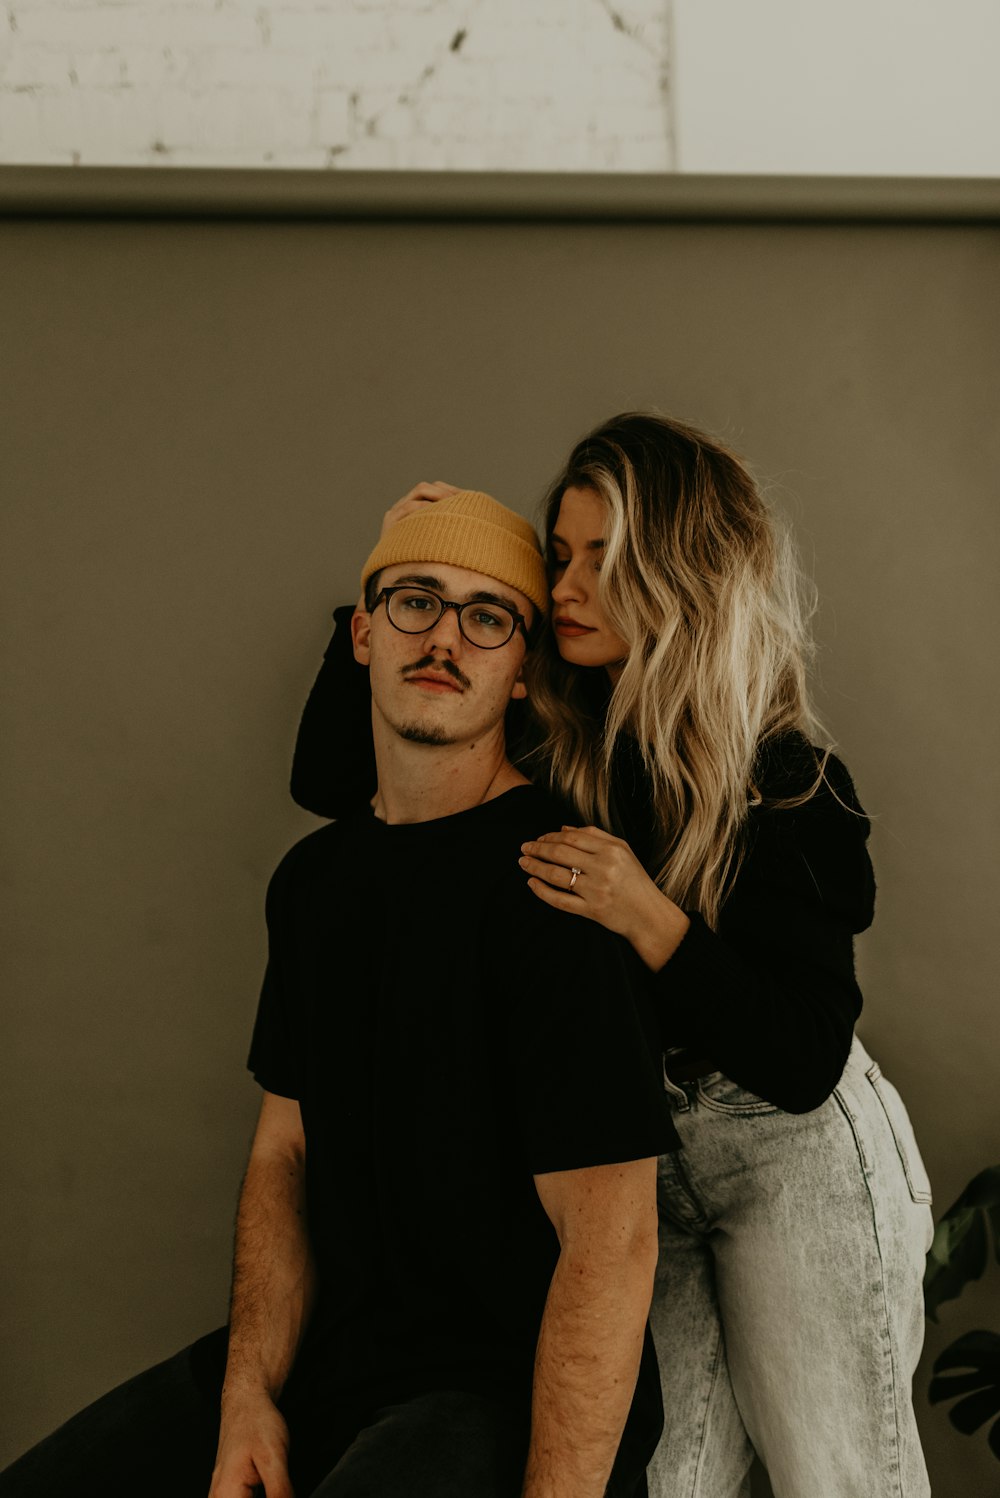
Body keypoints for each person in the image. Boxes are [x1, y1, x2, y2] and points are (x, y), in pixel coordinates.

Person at [286, 415, 935, 1498]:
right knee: (659, 1476)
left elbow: (803, 1056)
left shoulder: (784, 777)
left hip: (794, 1157)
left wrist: (649, 916)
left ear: (676, 573)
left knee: (840, 1477)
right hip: (636, 1158)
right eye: (560, 554)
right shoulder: (556, 729)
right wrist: (393, 565)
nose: (568, 584)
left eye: (604, 558)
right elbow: (328, 781)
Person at [0, 489, 678, 1498]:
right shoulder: (315, 883)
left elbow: (611, 1240)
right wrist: (245, 1395)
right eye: (415, 600)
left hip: (484, 1390)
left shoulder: (553, 883)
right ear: (363, 634)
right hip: (328, 1360)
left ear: (525, 671)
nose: (445, 636)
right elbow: (285, 1148)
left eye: (488, 616)